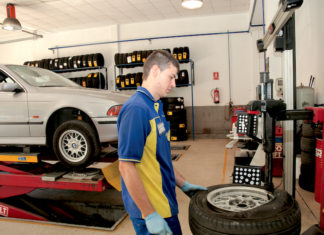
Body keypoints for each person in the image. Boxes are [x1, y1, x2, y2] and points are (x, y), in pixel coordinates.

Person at [117, 50, 207, 235]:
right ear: (156, 71)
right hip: (152, 210)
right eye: (171, 77)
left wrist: (183, 184)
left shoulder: (155, 106)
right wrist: (150, 214)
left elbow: (159, 158)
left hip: (164, 203)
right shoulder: (137, 109)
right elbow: (126, 167)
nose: (174, 84)